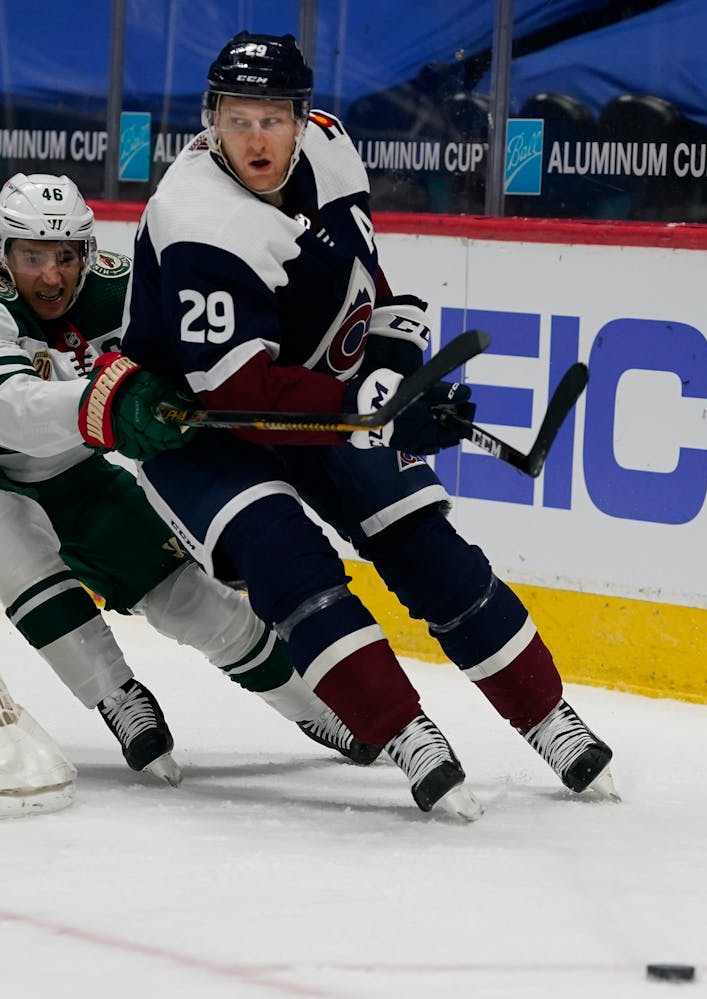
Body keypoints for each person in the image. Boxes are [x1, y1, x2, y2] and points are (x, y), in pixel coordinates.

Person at [115, 32, 616, 818]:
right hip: (199, 428)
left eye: (273, 119)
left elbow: (368, 286)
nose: (255, 138)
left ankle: (549, 715)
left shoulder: (333, 151)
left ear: (303, 118)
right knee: (289, 565)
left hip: (314, 393)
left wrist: (393, 377)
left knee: (426, 545)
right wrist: (370, 412)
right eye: (237, 118)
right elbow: (242, 386)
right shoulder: (195, 220)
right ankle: (405, 732)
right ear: (211, 120)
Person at [0, 172, 378, 785]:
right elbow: (7, 411)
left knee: (191, 599)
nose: (52, 276)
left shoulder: (122, 284)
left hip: (66, 467)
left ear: (88, 251)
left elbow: (201, 349)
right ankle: (115, 694)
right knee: (5, 529)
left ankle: (318, 709)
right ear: (3, 253)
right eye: (32, 256)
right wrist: (110, 405)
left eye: (66, 256)